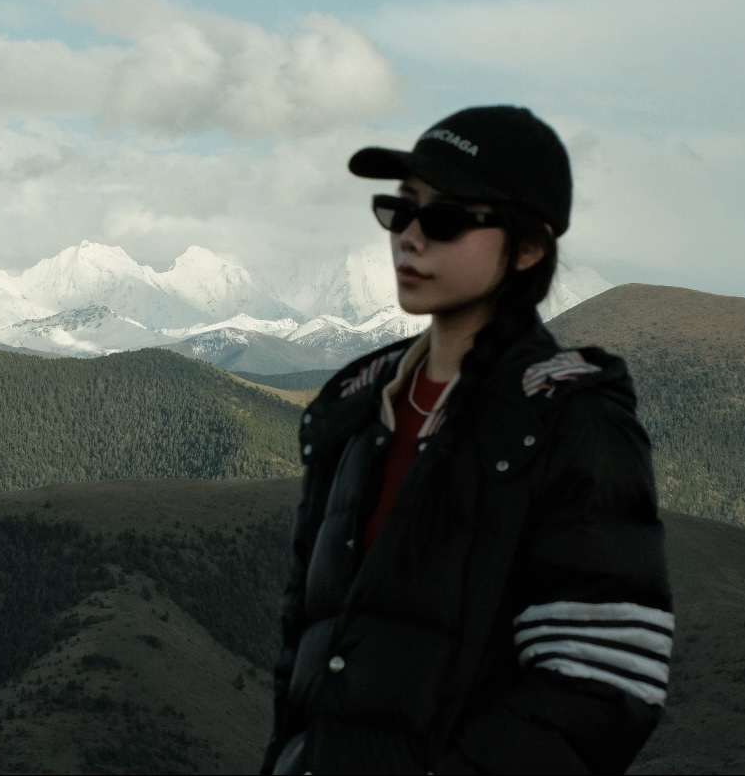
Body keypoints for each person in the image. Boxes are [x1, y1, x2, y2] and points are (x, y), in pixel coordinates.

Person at [260, 106, 673, 775]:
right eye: (401, 210)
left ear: (528, 248)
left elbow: (603, 681)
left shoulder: (572, 422)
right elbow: (305, 644)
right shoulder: (358, 409)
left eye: (446, 218)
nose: (410, 237)